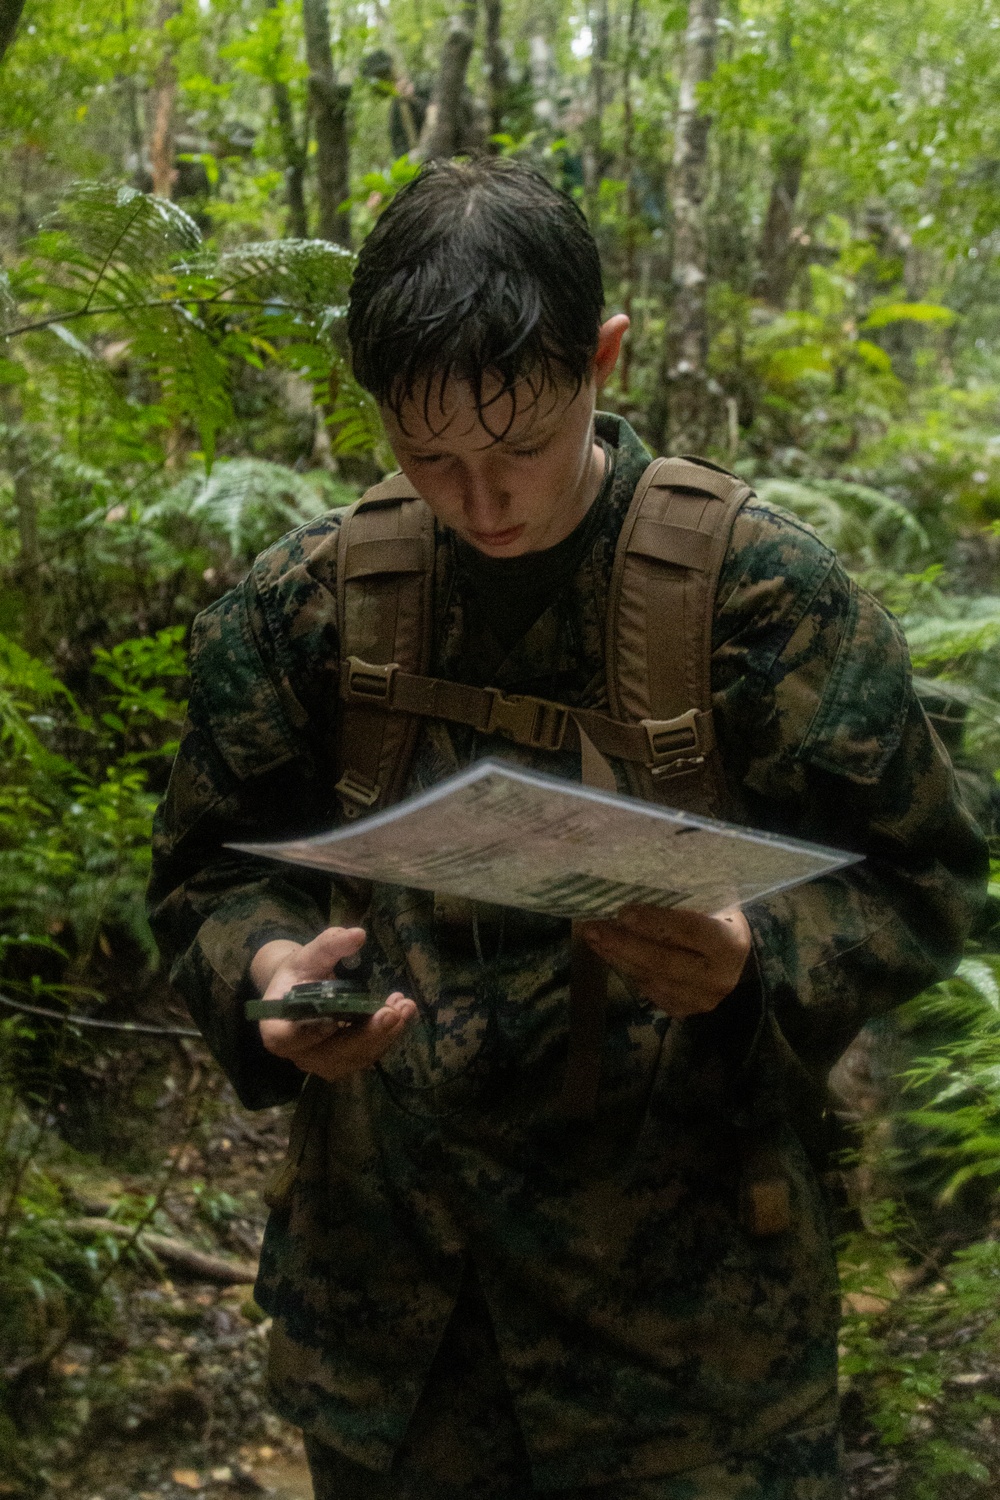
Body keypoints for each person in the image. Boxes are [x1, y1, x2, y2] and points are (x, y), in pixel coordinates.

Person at [148, 158, 987, 1500]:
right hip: (397, 1342)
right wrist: (269, 978)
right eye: (429, 457)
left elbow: (929, 880)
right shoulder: (306, 608)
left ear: (602, 357)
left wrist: (753, 958)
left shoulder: (763, 599)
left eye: (522, 448)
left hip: (696, 1357)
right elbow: (205, 875)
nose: (482, 501)